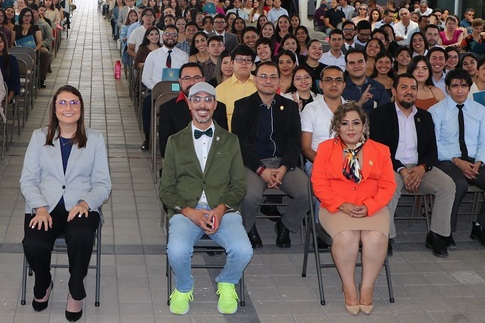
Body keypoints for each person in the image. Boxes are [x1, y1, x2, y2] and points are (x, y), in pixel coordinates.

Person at [161, 82, 252, 316]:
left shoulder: (230, 141)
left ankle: (227, 282)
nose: (203, 105)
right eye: (197, 99)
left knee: (243, 250)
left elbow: (239, 185)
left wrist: (221, 209)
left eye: (208, 99)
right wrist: (189, 211)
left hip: (223, 210)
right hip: (187, 211)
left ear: (215, 105)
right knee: (178, 250)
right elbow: (166, 189)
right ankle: (183, 287)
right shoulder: (175, 141)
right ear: (189, 104)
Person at [21, 86, 111, 321]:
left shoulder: (95, 139)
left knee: (81, 237)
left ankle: (75, 289)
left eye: (74, 103)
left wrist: (85, 203)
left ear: (81, 108)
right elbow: (28, 179)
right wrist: (39, 207)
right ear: (54, 108)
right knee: (34, 244)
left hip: (80, 207)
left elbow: (103, 183)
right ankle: (44, 281)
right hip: (45, 207)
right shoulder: (39, 137)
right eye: (62, 103)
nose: (68, 108)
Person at [311, 102, 395, 315]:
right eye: (345, 123)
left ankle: (367, 287)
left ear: (364, 125)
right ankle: (348, 286)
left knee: (375, 238)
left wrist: (370, 206)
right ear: (337, 126)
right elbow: (319, 183)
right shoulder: (325, 149)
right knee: (347, 237)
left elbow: (388, 185)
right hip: (336, 207)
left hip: (372, 206)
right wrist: (342, 205)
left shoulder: (381, 150)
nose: (350, 128)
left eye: (356, 123)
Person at [369, 74, 456, 257]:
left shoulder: (425, 116)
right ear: (394, 91)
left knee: (447, 185)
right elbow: (378, 150)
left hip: (420, 167)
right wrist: (401, 170)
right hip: (391, 167)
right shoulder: (380, 114)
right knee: (389, 187)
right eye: (404, 87)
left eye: (413, 88)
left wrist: (422, 167)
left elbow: (432, 151)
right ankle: (387, 237)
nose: (409, 92)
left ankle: (437, 235)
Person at [231, 62, 309, 250]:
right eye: (263, 77)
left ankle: (286, 224)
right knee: (250, 196)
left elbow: (294, 143)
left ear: (279, 81)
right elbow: (240, 144)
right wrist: (261, 170)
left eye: (273, 77)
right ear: (255, 80)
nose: (268, 81)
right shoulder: (242, 106)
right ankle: (248, 228)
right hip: (253, 164)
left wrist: (283, 168)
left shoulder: (289, 107)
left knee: (308, 192)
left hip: (283, 163)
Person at [428, 69, 485, 247]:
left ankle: (481, 227)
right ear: (447, 88)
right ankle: (445, 230)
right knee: (458, 185)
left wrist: (478, 162)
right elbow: (434, 144)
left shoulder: (479, 110)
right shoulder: (436, 111)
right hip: (447, 160)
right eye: (455, 86)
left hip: (474, 161)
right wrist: (457, 161)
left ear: (469, 87)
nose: (459, 90)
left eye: (464, 86)